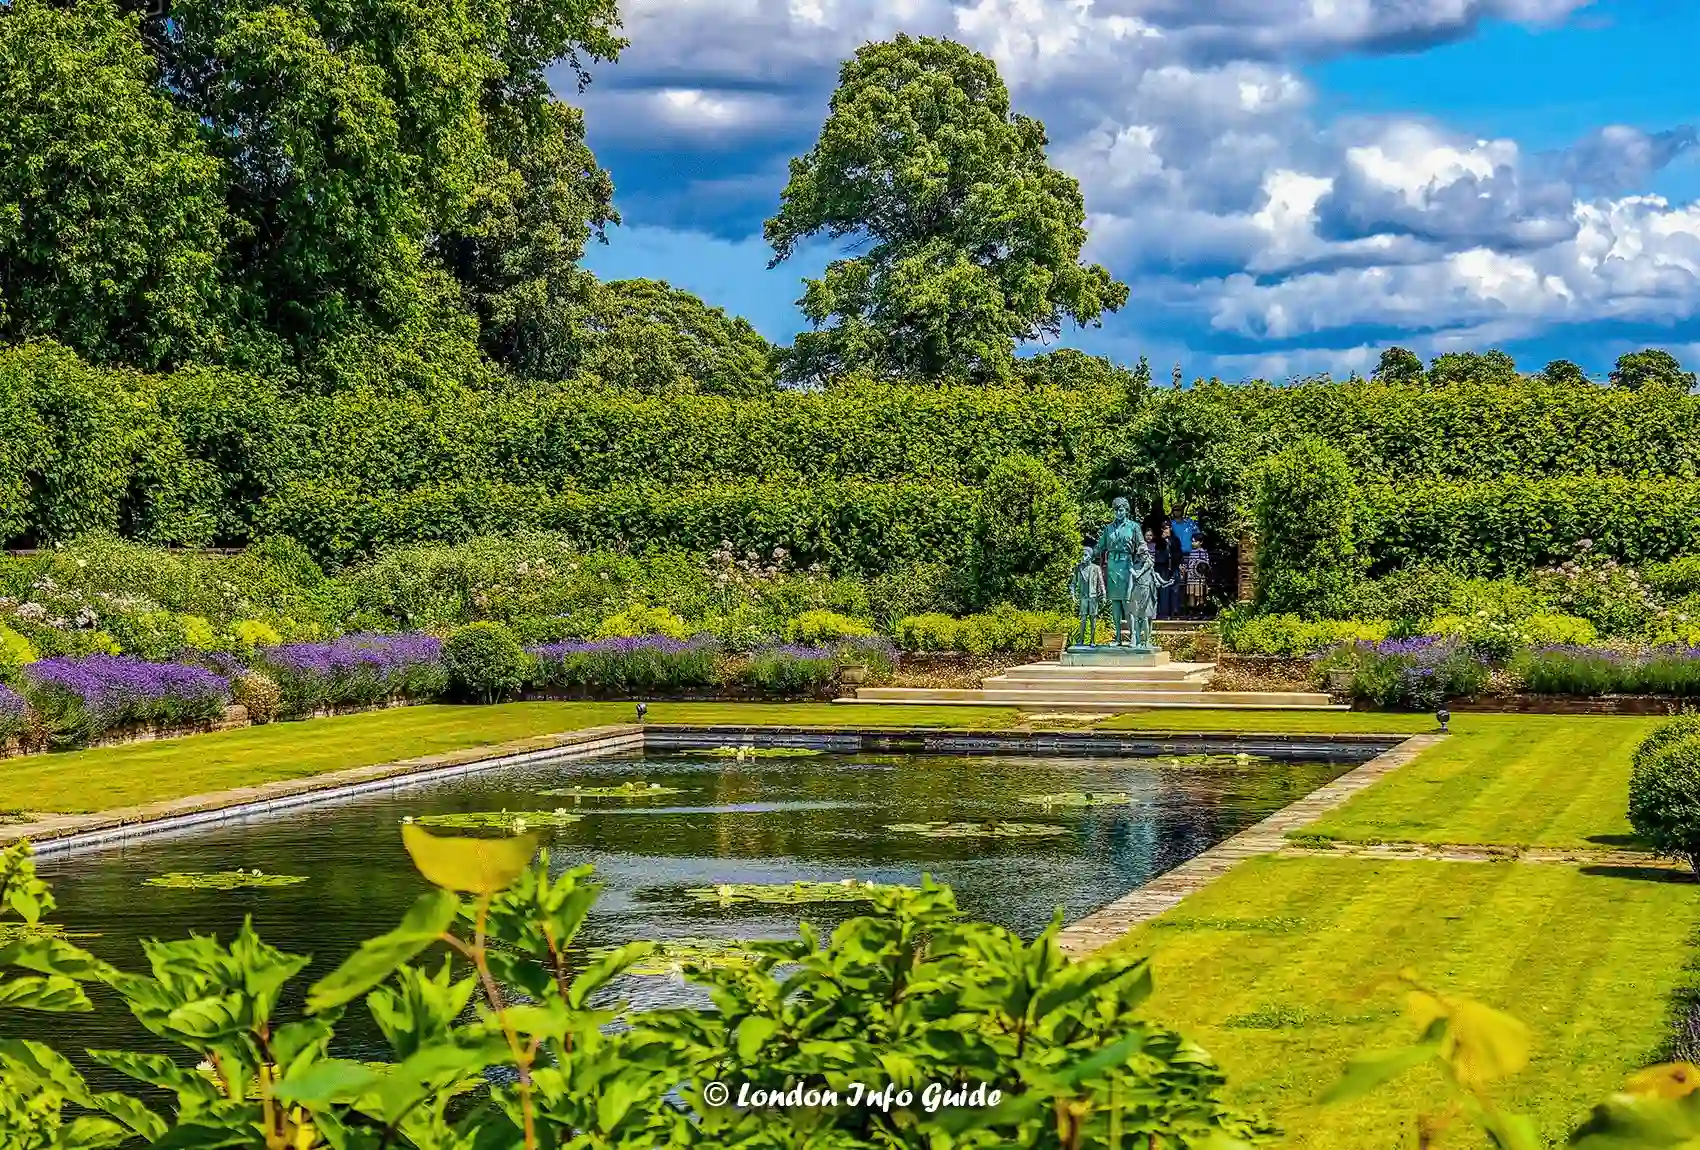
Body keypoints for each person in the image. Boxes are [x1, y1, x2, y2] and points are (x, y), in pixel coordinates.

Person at [1069, 545, 1106, 646]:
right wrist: (1072, 594)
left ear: (1090, 556)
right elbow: (1073, 583)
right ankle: (1081, 640)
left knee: (1093, 619)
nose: (1083, 557)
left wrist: (1104, 595)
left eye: (1085, 555)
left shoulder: (1096, 568)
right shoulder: (1078, 568)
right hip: (1083, 597)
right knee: (1083, 619)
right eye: (1082, 555)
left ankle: (1092, 640)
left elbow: (1101, 582)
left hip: (1093, 597)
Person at [1154, 522, 1182, 618]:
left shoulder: (1175, 540)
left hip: (1174, 567)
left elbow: (1178, 553)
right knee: (1164, 590)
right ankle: (1163, 613)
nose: (1166, 530)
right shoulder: (1159, 541)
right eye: (1164, 528)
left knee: (1175, 590)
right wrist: (1163, 540)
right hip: (1163, 568)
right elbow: (1158, 553)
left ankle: (1175, 612)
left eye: (1167, 528)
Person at [1184, 539, 1211, 615]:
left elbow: (1206, 565)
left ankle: (1200, 611)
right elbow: (1189, 564)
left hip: (1200, 577)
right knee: (1191, 594)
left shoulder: (1203, 553)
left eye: (1195, 541)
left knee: (1200, 595)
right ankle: (1191, 611)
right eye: (1192, 541)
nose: (1193, 543)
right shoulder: (1191, 552)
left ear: (1201, 542)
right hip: (1190, 577)